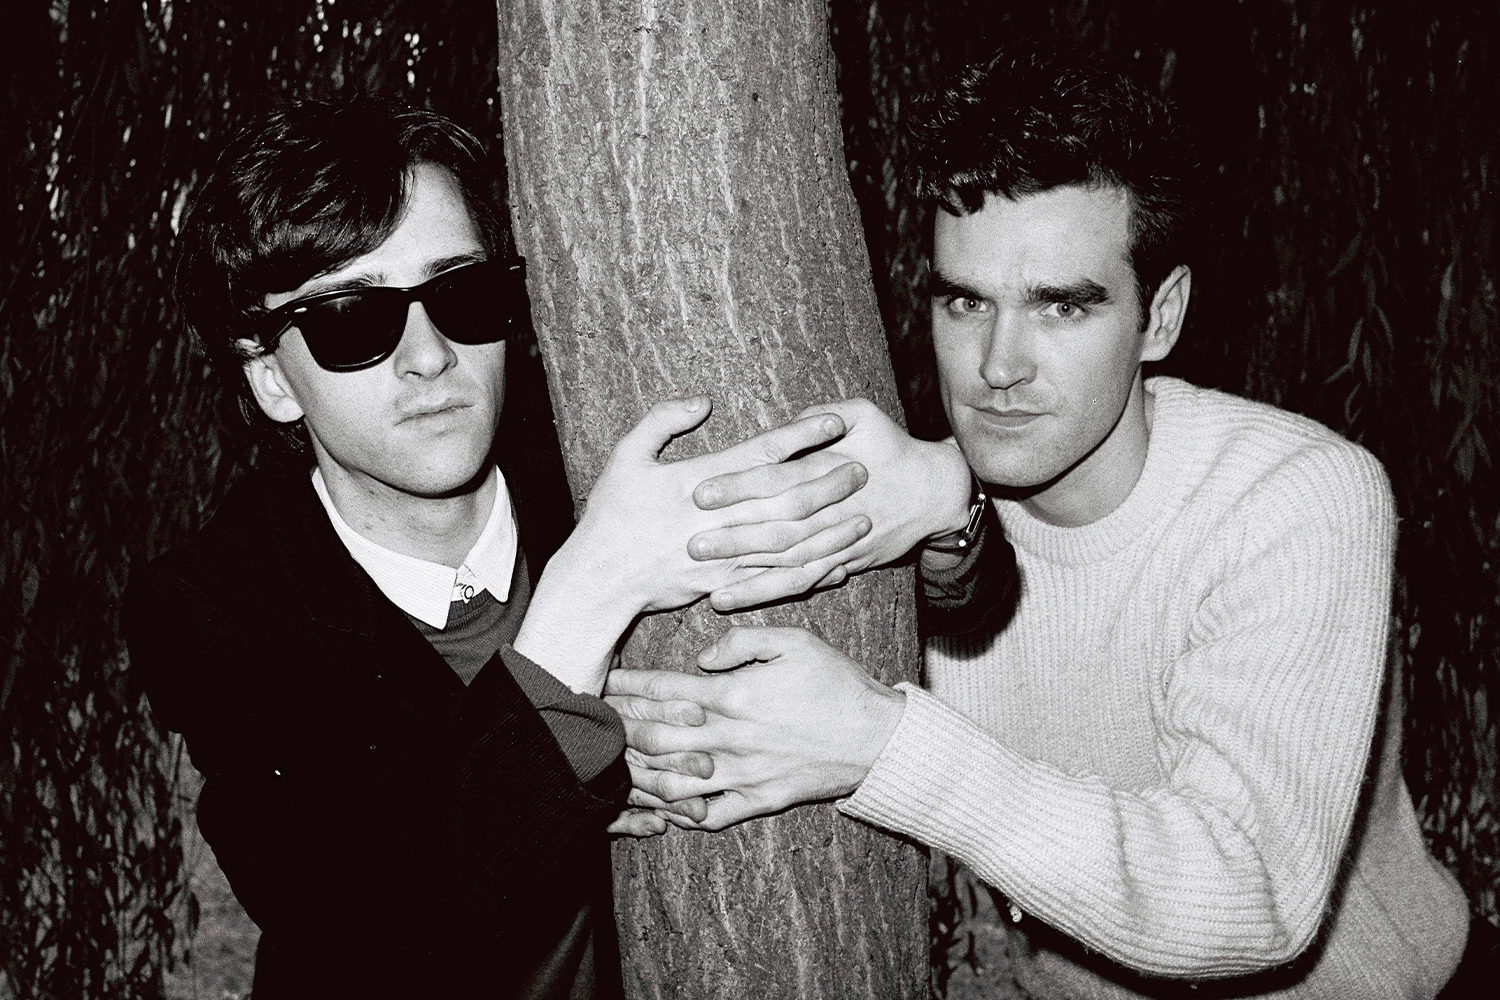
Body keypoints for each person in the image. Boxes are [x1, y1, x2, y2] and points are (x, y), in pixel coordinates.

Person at [605, 51, 1477, 998]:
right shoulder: (915, 511)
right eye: (965, 301)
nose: (997, 366)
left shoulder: (1296, 497)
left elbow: (1249, 894)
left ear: (1161, 317)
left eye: (1062, 306)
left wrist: (879, 743)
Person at [125, 99, 877, 998]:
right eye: (353, 321)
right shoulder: (216, 610)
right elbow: (368, 928)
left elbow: (923, 597)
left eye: (461, 295)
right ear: (271, 380)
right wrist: (589, 598)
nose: (431, 355)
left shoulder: (596, 461)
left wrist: (956, 522)